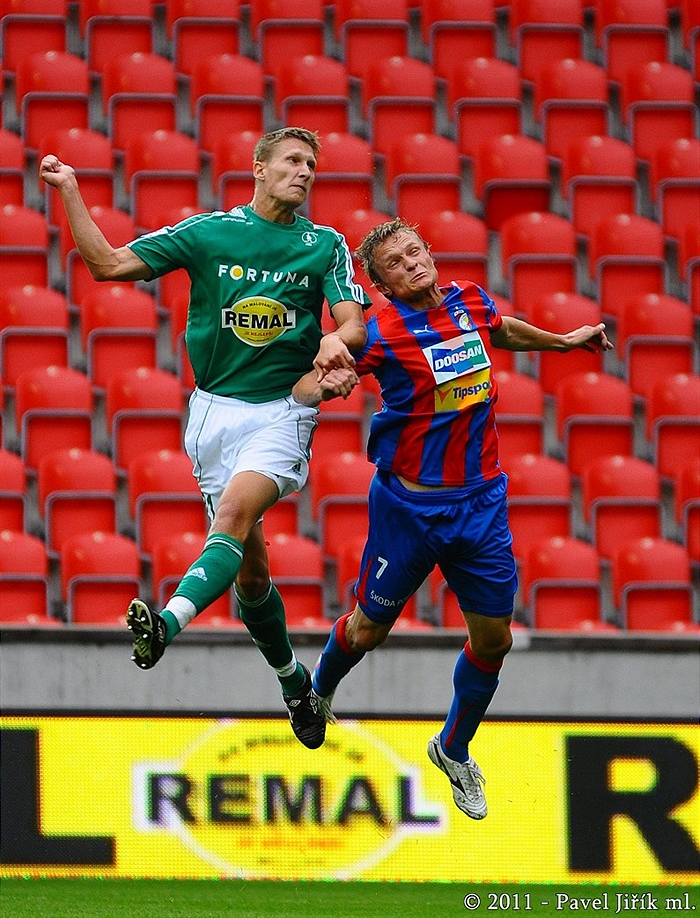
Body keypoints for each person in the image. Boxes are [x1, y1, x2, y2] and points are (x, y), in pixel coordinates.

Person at [40, 127, 368, 751]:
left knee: (233, 517)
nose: (304, 172)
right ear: (259, 168)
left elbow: (353, 321)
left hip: (283, 409)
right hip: (213, 415)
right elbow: (108, 265)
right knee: (251, 576)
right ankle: (295, 684)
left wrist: (335, 339)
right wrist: (71, 191)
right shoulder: (210, 233)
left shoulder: (324, 244)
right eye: (292, 161)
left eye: (311, 164)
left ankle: (164, 625)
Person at [292, 218, 613, 815]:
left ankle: (453, 748)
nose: (411, 264)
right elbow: (314, 380)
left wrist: (562, 342)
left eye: (415, 252)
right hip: (409, 509)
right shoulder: (381, 333)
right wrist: (321, 380)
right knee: (367, 632)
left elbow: (500, 329)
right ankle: (315, 693)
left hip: (480, 505)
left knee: (495, 639)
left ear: (430, 254)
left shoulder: (470, 299)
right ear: (382, 285)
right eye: (394, 263)